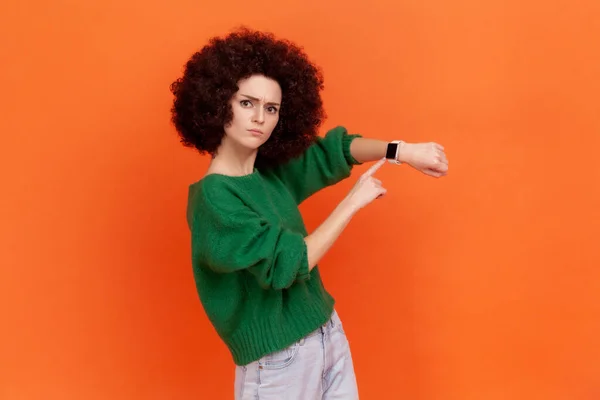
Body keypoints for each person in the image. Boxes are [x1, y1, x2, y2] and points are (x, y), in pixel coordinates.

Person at [169, 27, 448, 399]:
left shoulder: (268, 174)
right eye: (247, 103)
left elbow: (335, 151)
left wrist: (402, 151)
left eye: (271, 109)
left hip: (326, 331)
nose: (259, 118)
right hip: (277, 361)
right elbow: (289, 266)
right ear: (219, 103)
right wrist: (352, 201)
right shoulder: (214, 201)